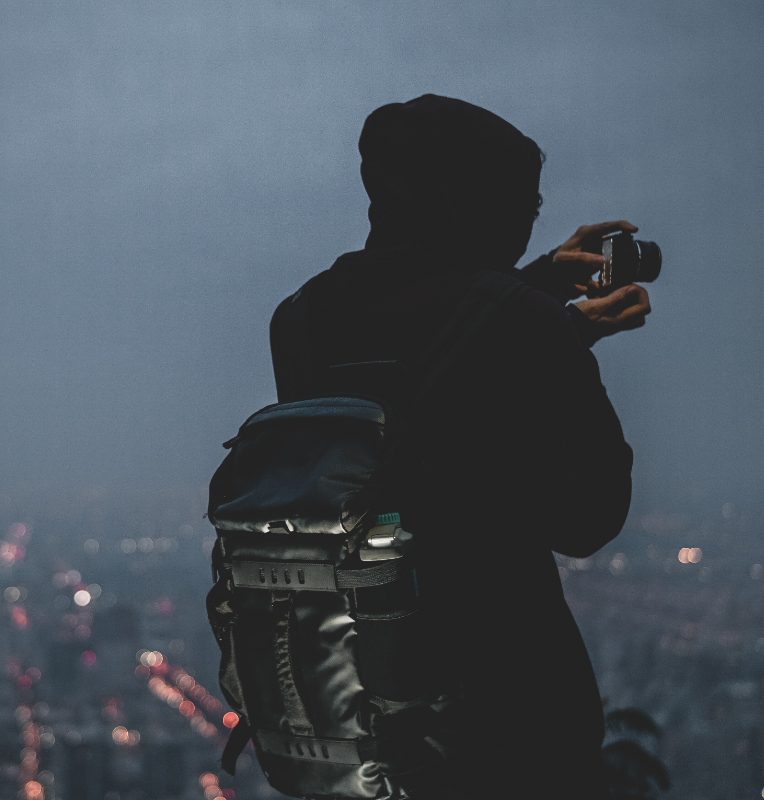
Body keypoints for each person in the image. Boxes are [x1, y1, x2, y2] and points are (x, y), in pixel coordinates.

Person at [267, 94, 650, 799]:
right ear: (483, 202)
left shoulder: (298, 322)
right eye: (521, 208)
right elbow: (590, 517)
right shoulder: (527, 329)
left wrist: (528, 290)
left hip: (360, 704)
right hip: (508, 718)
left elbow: (409, 383)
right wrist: (557, 338)